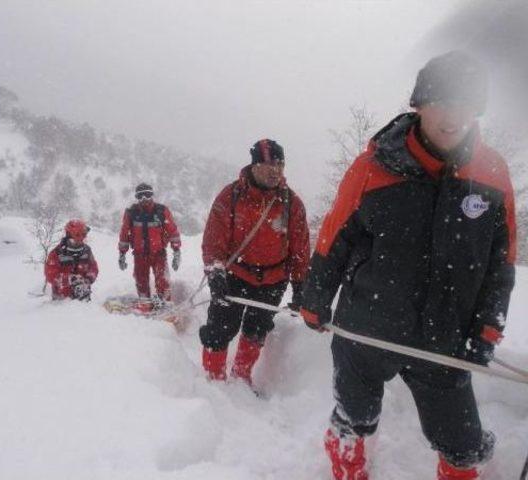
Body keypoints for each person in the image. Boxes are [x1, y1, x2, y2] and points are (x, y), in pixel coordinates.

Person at [300, 51, 516, 480]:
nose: (451, 116)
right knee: (354, 418)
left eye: (464, 104)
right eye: (441, 102)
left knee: (462, 444)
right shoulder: (373, 167)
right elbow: (333, 238)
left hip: (446, 337)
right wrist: (316, 298)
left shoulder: (492, 172)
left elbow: (501, 261)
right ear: (418, 105)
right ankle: (348, 466)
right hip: (366, 326)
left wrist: (489, 326)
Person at [200, 139, 310, 385]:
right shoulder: (231, 196)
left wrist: (301, 284)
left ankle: (241, 376)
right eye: (269, 164)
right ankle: (213, 378)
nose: (276, 171)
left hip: (273, 280)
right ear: (254, 165)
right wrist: (215, 271)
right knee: (219, 328)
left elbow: (300, 247)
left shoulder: (291, 203)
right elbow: (213, 239)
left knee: (257, 329)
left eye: (280, 164)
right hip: (235, 274)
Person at [118, 183, 181, 311]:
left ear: (152, 195)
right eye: (140, 196)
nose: (144, 199)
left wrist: (176, 251)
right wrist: (122, 253)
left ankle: (165, 304)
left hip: (158, 254)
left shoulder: (161, 211)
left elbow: (173, 232)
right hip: (139, 255)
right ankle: (144, 303)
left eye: (147, 195)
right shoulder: (132, 213)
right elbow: (124, 233)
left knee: (162, 281)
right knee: (141, 281)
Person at [45, 219, 99, 301]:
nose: (81, 238)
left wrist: (87, 280)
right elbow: (50, 274)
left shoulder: (87, 251)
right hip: (61, 300)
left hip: (84, 298)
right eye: (77, 235)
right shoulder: (57, 253)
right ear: (68, 235)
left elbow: (93, 268)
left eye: (83, 235)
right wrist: (70, 280)